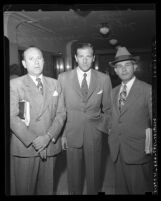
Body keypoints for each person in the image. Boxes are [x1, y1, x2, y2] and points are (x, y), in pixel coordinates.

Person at [10, 46, 66, 195]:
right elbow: (12, 117)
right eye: (31, 59)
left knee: (47, 189)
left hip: (49, 146)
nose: (36, 62)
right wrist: (35, 140)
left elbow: (61, 113)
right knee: (24, 190)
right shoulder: (14, 85)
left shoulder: (55, 84)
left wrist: (48, 137)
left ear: (44, 61)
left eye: (39, 58)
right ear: (24, 63)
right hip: (26, 147)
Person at [58, 43, 112, 195]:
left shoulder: (104, 79)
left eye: (88, 56)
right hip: (71, 133)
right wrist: (62, 134)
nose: (85, 60)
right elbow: (60, 109)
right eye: (81, 56)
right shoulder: (63, 78)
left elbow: (108, 109)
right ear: (75, 58)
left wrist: (101, 129)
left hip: (94, 134)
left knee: (94, 176)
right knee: (73, 177)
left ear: (93, 58)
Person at [108, 46, 152, 194]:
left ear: (134, 66)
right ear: (115, 70)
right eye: (119, 66)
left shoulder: (147, 90)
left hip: (138, 153)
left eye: (127, 65)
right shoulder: (113, 92)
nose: (123, 69)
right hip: (117, 151)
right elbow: (112, 118)